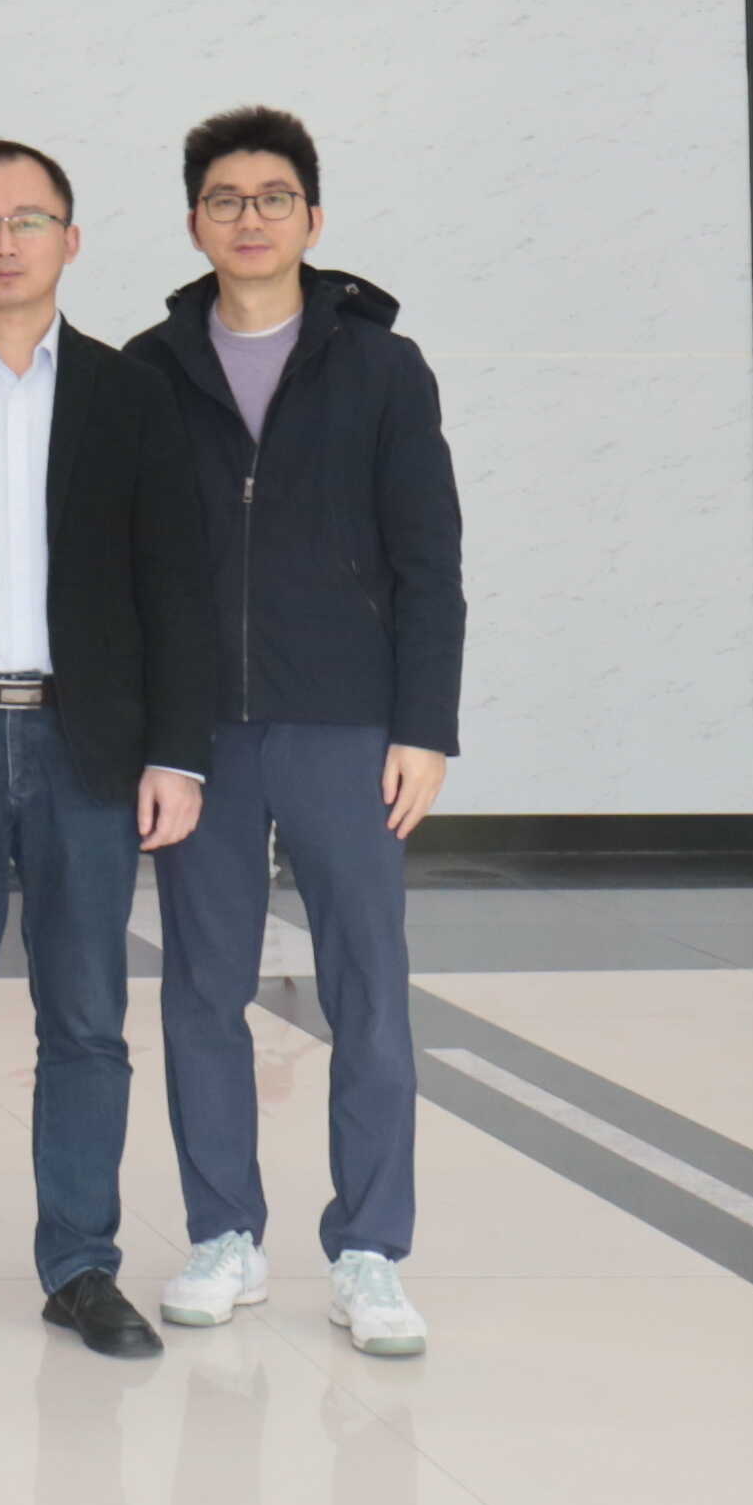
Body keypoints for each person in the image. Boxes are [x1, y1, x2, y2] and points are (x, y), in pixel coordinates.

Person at [0, 140, 213, 1364]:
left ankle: (80, 1264)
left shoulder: (134, 395)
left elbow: (179, 585)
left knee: (86, 1018)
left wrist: (178, 753)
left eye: (30, 220)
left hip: (90, 744)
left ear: (71, 240)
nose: (5, 241)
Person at [143, 104, 465, 1361]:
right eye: (226, 199)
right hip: (203, 735)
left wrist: (423, 727)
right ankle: (223, 1231)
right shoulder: (151, 368)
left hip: (347, 725)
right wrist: (152, 731)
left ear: (313, 219)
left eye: (274, 198)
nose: (252, 218)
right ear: (195, 224)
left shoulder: (383, 368)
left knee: (367, 990)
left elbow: (428, 561)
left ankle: (370, 1248)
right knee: (200, 991)